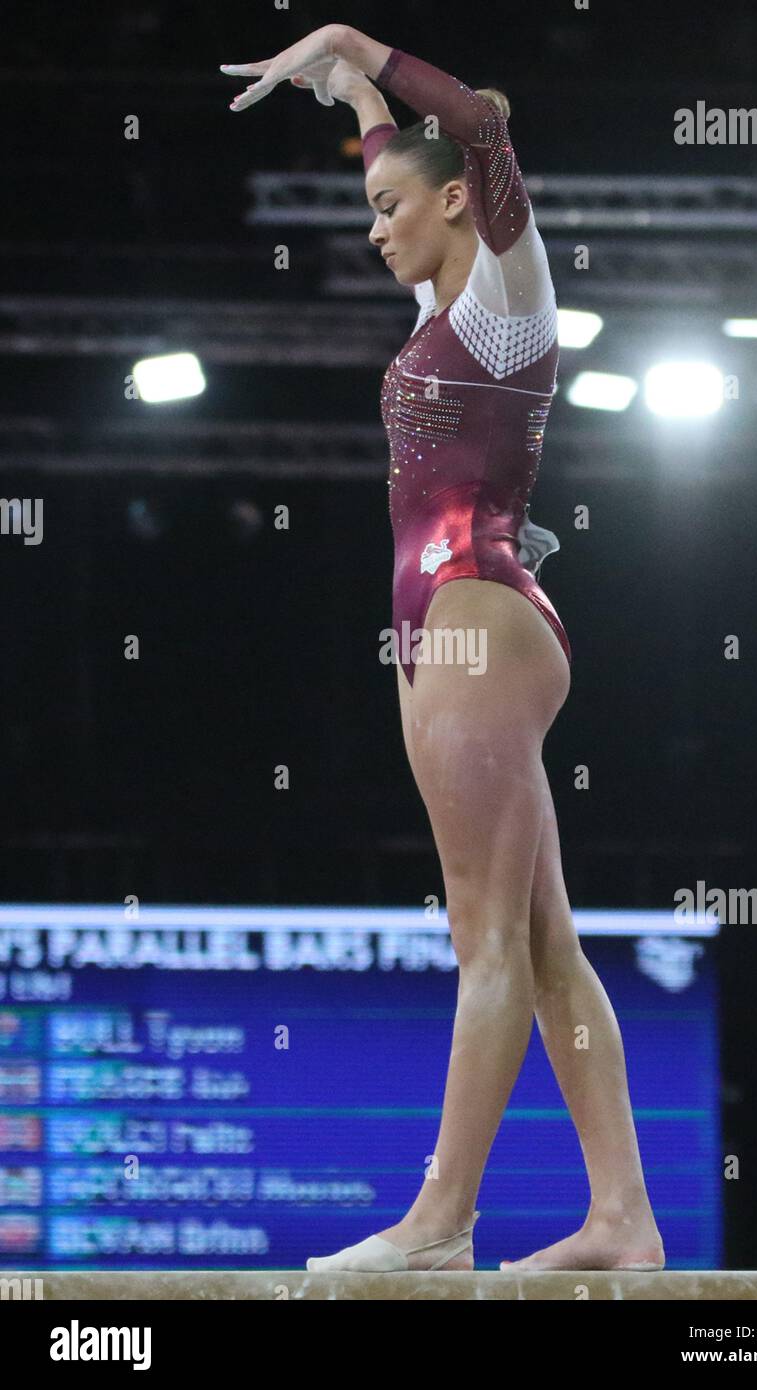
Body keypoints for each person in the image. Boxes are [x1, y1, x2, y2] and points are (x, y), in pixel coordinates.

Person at [221, 24, 664, 1274]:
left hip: (474, 613)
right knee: (538, 942)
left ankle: (440, 1220)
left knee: (482, 942)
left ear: (460, 204)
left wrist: (365, 43)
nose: (371, 229)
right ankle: (622, 1218)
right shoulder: (448, 304)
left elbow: (475, 127)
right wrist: (359, 100)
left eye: (385, 205)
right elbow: (419, 153)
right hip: (455, 625)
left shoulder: (514, 306)